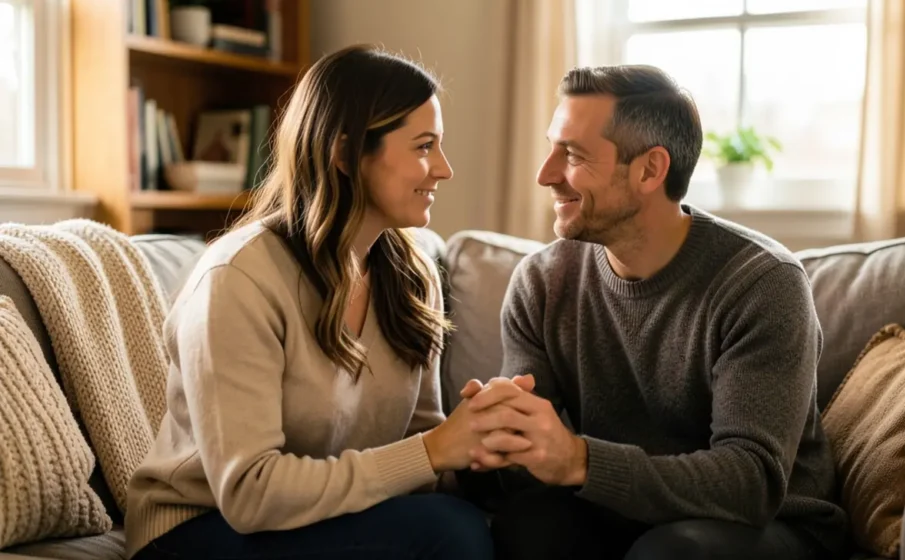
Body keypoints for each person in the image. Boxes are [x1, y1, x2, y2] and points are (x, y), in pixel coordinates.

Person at [124, 45, 508, 560]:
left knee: (497, 523)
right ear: (345, 153)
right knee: (447, 533)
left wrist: (480, 448)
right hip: (200, 528)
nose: (444, 168)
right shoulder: (238, 279)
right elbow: (249, 493)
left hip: (323, 521)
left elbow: (419, 448)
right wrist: (432, 452)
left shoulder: (411, 278)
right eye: (423, 146)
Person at [458, 65, 849, 560]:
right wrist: (491, 442)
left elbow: (750, 482)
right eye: (552, 148)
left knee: (672, 553)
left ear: (649, 170)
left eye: (573, 155)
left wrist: (580, 460)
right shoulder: (542, 281)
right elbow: (526, 458)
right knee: (527, 528)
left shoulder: (762, 283)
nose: (545, 174)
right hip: (618, 508)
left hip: (771, 523)